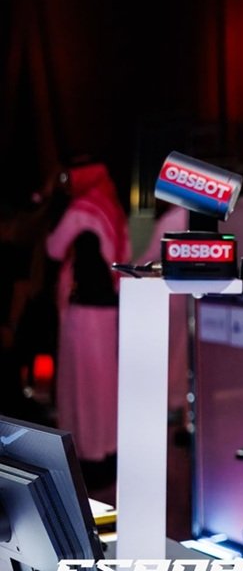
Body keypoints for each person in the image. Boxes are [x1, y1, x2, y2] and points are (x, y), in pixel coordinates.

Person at [44, 156, 130, 488]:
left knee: (84, 388)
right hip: (109, 308)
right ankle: (108, 455)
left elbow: (54, 247)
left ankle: (89, 460)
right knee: (106, 386)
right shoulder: (111, 207)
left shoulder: (82, 209)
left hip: (84, 314)